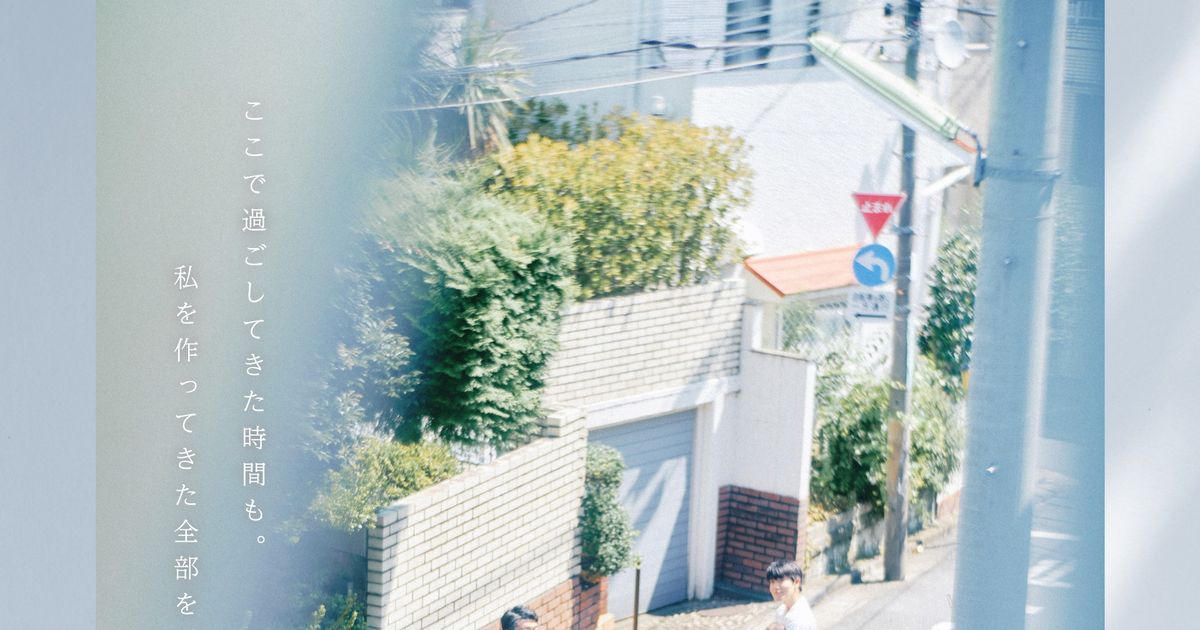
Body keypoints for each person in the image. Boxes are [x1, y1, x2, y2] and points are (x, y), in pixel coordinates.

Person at [765, 559, 818, 630]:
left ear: (796, 582)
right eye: (772, 582)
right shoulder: (781, 610)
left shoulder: (800, 619)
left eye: (780, 580)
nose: (775, 587)